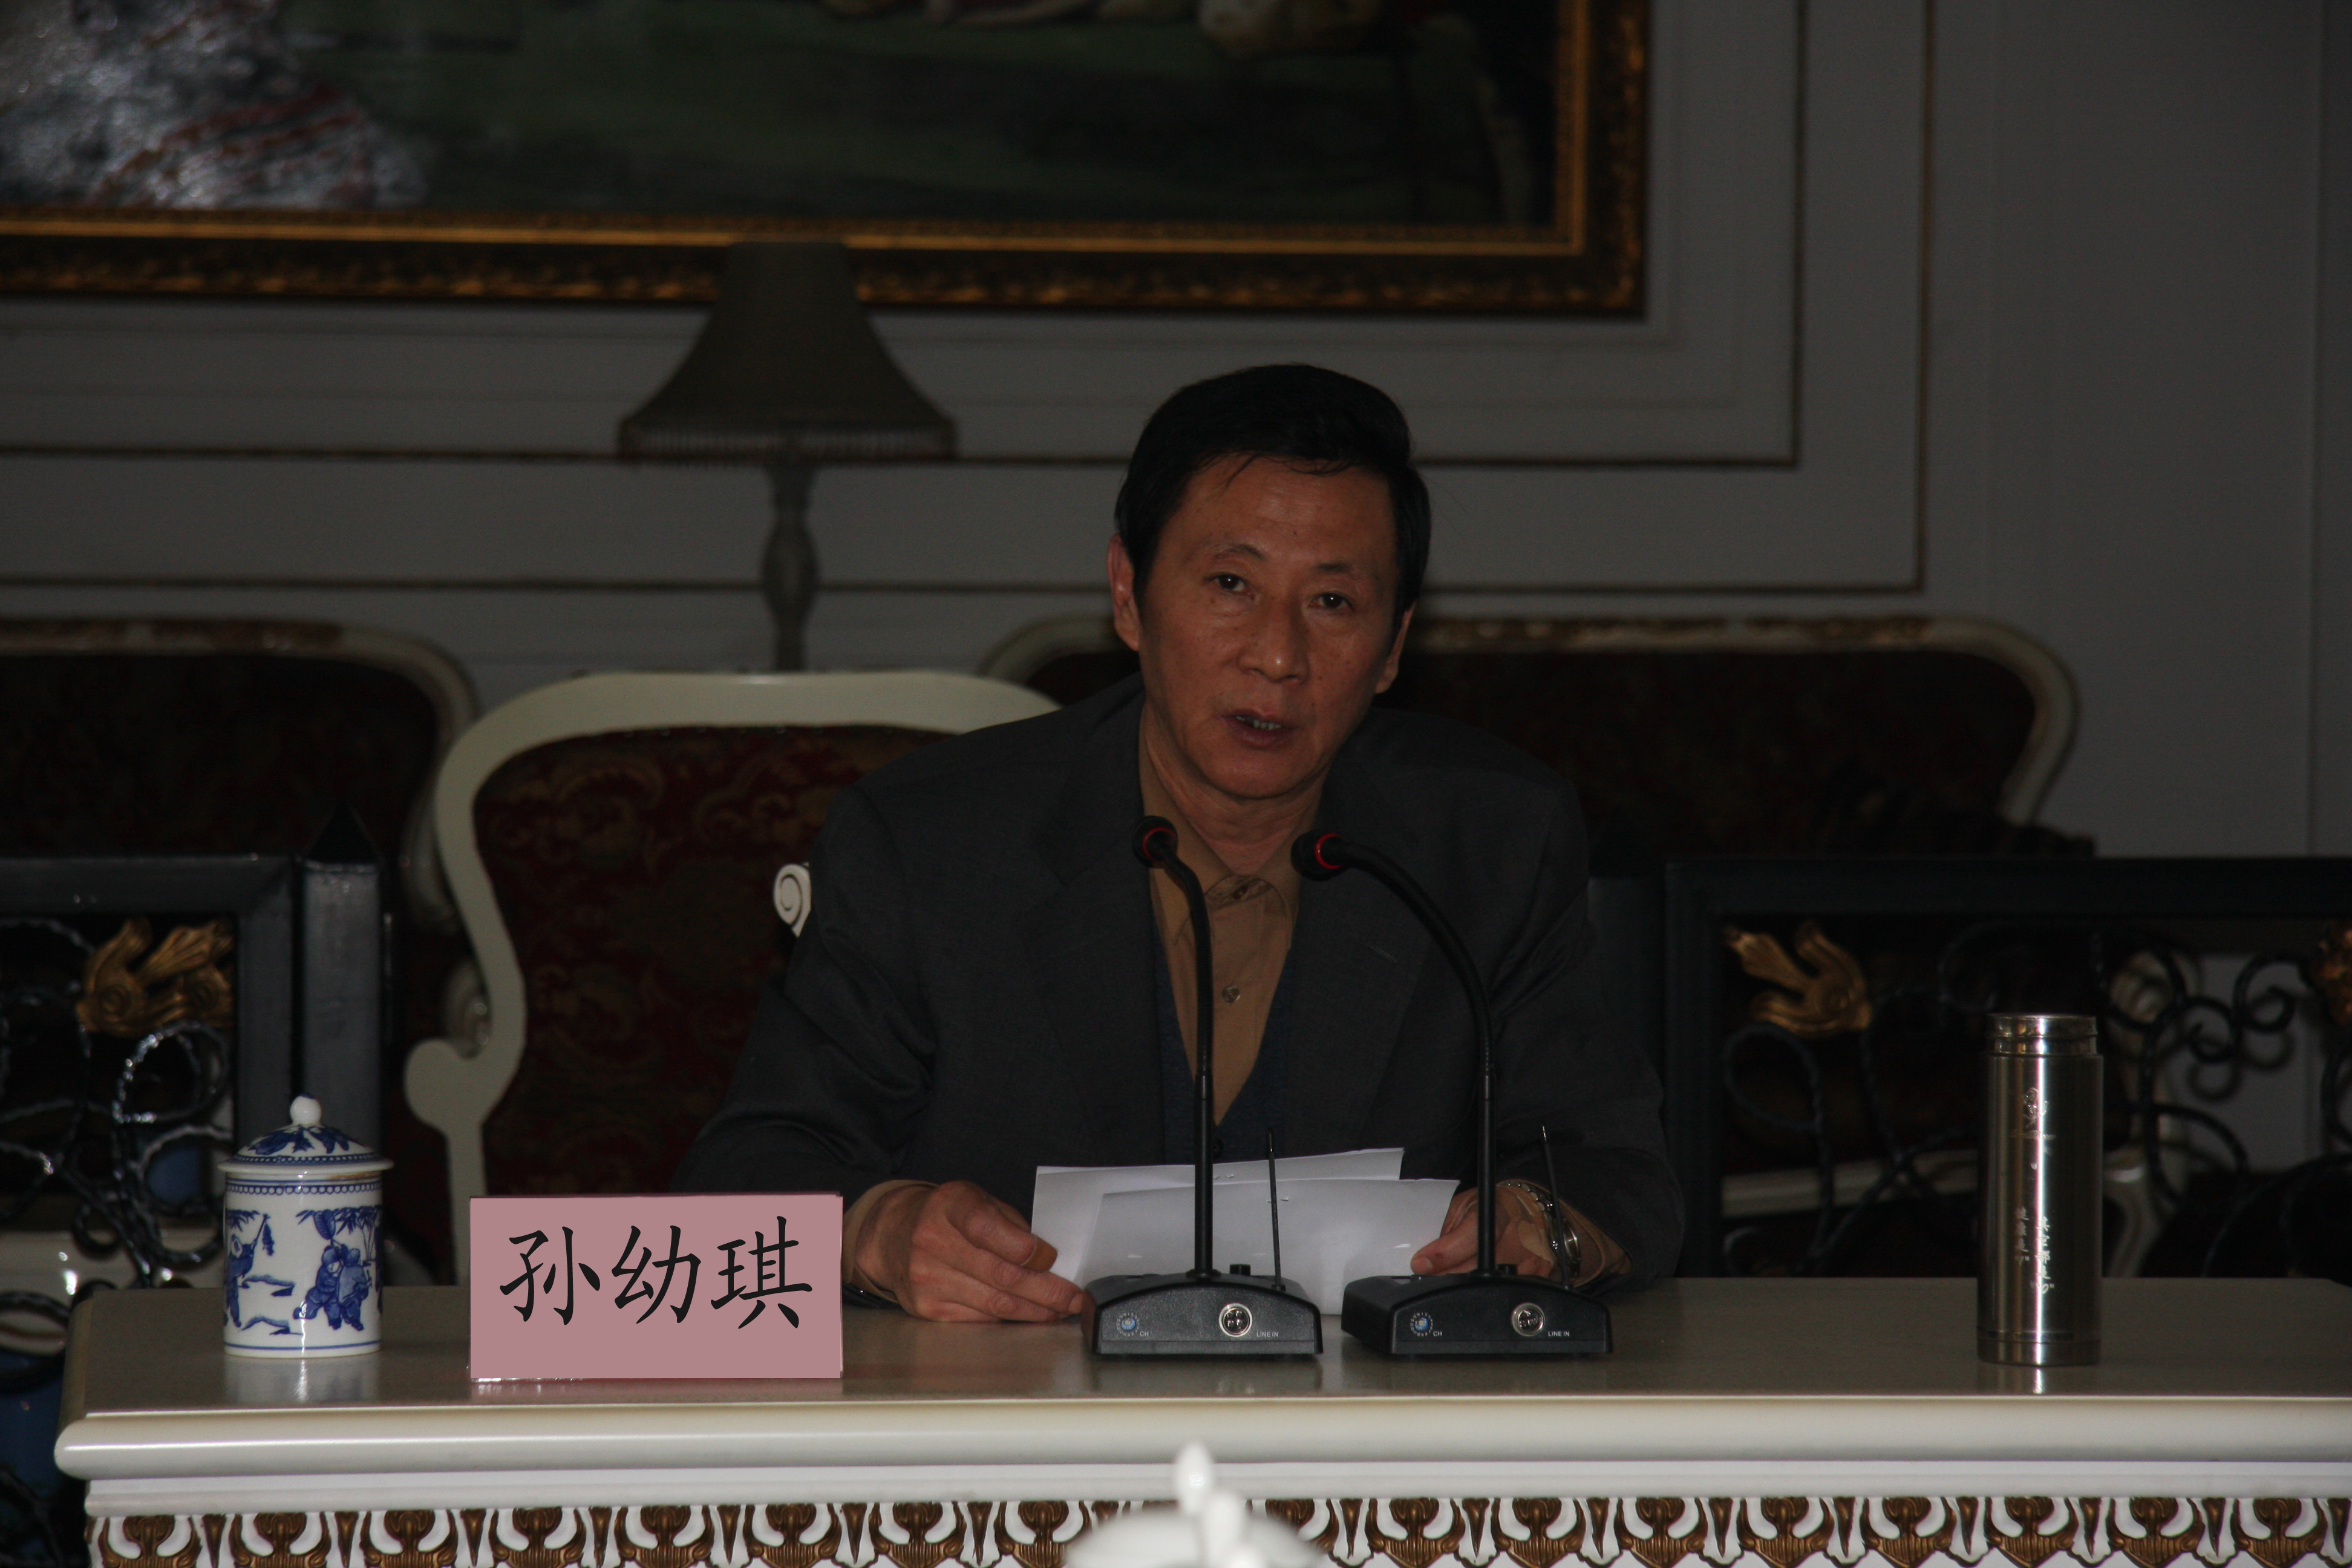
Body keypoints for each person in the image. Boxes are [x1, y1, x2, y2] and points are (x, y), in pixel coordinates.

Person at [674, 364, 1681, 1321]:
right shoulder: (929, 845)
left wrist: (1544, 1224)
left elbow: (1616, 1170)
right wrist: (879, 1234)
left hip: (1364, 1425)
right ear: (1128, 593)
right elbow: (749, 1173)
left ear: (1393, 649)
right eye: (1231, 584)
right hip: (1017, 1420)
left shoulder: (1491, 844)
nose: (1278, 656)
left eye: (1333, 603)